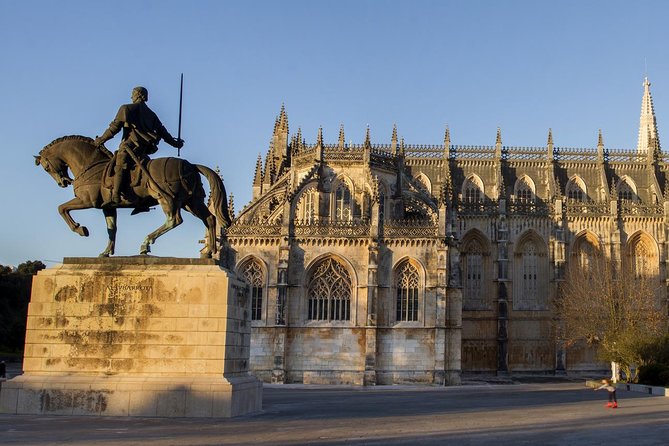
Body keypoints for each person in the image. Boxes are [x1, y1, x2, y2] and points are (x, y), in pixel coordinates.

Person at [94, 86, 184, 207]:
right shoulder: (152, 114)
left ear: (137, 95)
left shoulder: (126, 108)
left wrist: (101, 139)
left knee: (121, 163)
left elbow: (114, 128)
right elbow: (163, 133)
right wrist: (175, 144)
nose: (131, 96)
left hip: (130, 146)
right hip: (144, 150)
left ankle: (115, 195)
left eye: (133, 94)